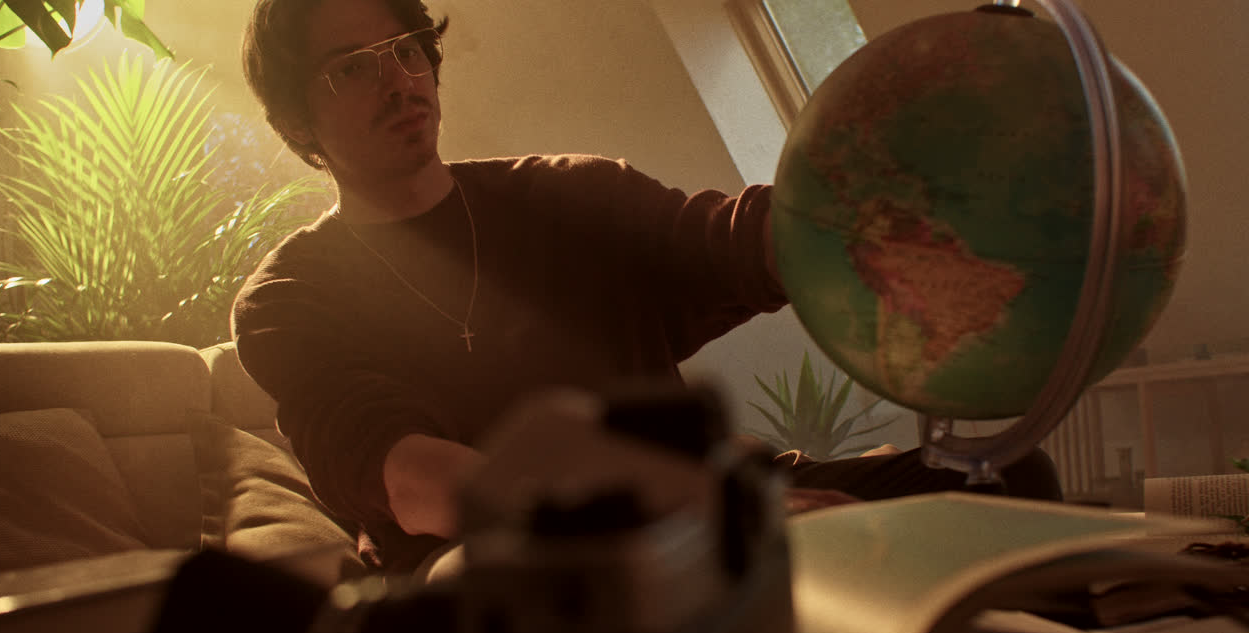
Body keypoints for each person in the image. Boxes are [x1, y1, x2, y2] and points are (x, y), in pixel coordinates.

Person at [234, 0, 1062, 574]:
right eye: (351, 69)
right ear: (297, 120)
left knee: (1008, 488)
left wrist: (890, 201)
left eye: (405, 50)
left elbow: (732, 243)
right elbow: (428, 485)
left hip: (712, 505)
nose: (398, 80)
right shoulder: (289, 297)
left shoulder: (563, 196)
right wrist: (696, 509)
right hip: (510, 572)